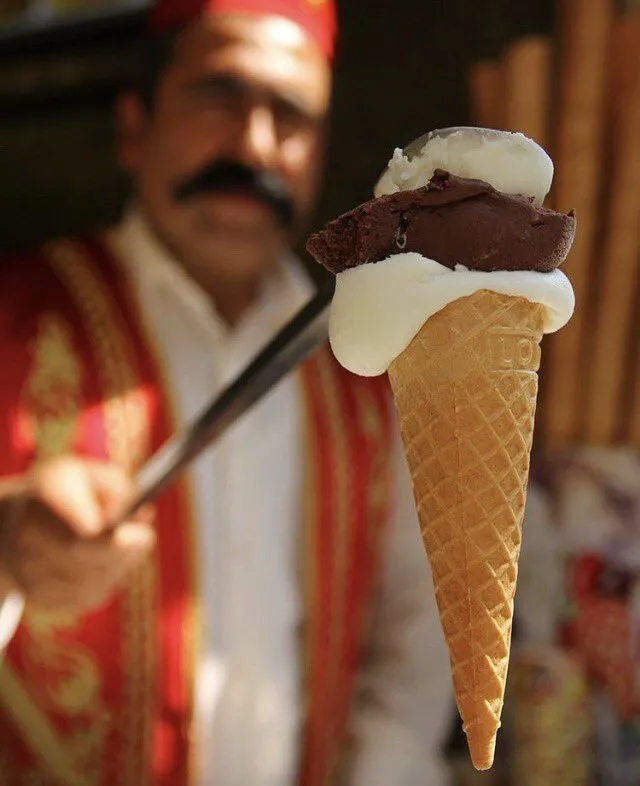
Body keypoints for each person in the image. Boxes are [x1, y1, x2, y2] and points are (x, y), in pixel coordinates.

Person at [0, 1, 453, 784]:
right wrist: (8, 544)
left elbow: (414, 622)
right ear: (134, 127)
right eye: (219, 96)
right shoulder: (15, 319)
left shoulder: (369, 367)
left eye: (291, 115)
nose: (254, 145)